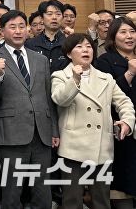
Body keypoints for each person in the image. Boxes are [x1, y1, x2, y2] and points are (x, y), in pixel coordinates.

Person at [0, 10, 59, 209]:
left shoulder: (40, 59)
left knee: (43, 190)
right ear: (2, 31)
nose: (18, 31)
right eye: (12, 27)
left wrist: (54, 130)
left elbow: (48, 97)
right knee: (12, 191)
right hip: (12, 133)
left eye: (21, 26)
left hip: (41, 132)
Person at [52, 33, 135, 209]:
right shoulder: (60, 76)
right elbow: (60, 99)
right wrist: (75, 80)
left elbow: (124, 102)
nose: (86, 50)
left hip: (102, 147)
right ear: (69, 54)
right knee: (72, 201)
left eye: (89, 46)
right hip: (72, 149)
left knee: (102, 201)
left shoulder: (106, 78)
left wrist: (128, 121)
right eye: (79, 47)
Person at [96, 18, 136, 209]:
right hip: (120, 128)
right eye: (123, 32)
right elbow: (105, 95)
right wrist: (130, 73)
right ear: (113, 37)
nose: (129, 36)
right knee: (123, 180)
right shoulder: (105, 60)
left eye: (132, 31)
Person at [25, 0, 68, 73]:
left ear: (62, 18)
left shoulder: (69, 42)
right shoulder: (30, 44)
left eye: (58, 14)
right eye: (50, 14)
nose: (54, 17)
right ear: (41, 18)